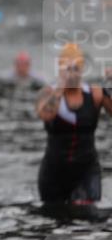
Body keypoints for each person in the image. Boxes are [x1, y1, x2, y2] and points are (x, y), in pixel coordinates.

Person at [35, 43, 109, 210]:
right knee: (55, 217)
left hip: (86, 171)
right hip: (54, 173)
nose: (72, 73)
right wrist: (60, 87)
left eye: (76, 68)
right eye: (67, 68)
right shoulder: (47, 93)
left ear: (82, 70)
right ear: (60, 69)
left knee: (88, 214)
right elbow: (45, 114)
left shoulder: (95, 93)